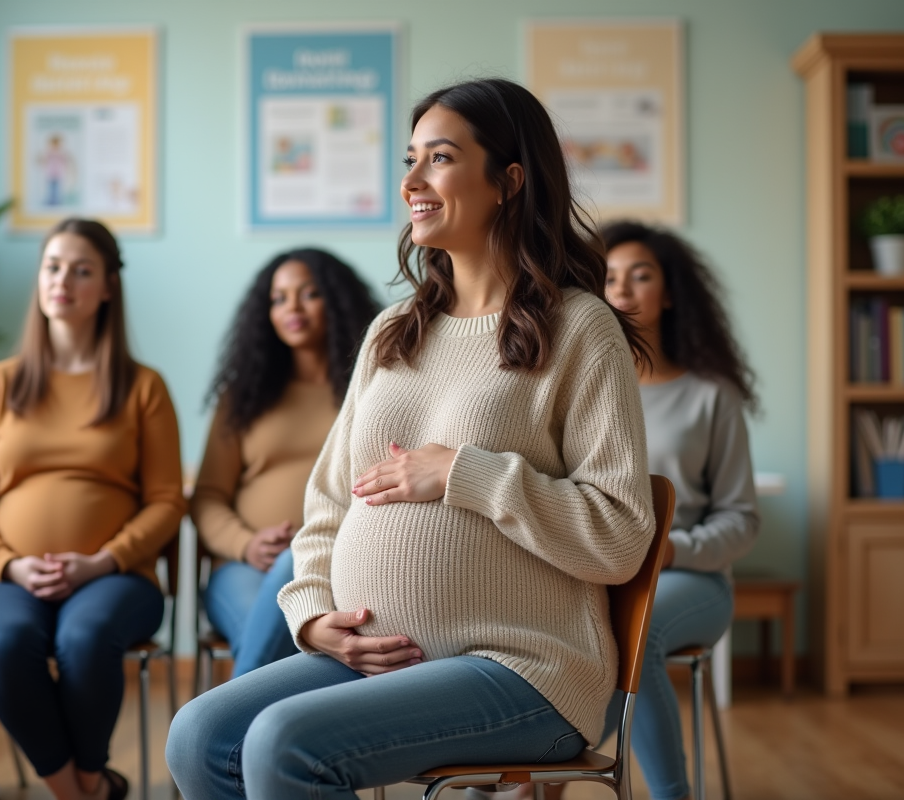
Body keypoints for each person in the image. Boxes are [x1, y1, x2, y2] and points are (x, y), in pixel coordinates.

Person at [165, 77, 656, 800]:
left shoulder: (581, 329)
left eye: (440, 158)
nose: (412, 181)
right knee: (200, 738)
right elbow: (329, 502)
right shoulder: (393, 332)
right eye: (410, 159)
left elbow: (620, 537)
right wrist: (310, 617)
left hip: (526, 670)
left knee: (282, 746)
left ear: (508, 181)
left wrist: (470, 473)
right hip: (378, 658)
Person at [0, 218, 186, 800]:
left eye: (82, 270)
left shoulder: (143, 387)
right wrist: (9, 564)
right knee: (5, 645)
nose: (63, 280)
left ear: (107, 286)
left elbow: (166, 502)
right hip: (8, 576)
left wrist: (102, 561)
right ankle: (83, 790)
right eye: (53, 266)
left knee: (85, 637)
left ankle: (82, 787)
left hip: (114, 578)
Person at [599, 220, 759, 800]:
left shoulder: (710, 395)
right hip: (601, 576)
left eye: (639, 276)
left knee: (632, 634)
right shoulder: (580, 387)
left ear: (668, 293)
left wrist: (674, 549)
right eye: (608, 277)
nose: (621, 289)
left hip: (691, 578)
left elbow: (742, 519)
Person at [192, 248, 379, 679]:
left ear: (339, 302)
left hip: (339, 566)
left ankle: (229, 730)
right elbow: (206, 498)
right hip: (243, 568)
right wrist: (246, 544)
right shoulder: (242, 398)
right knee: (278, 637)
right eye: (278, 298)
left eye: (309, 294)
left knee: (298, 615)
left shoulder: (372, 389)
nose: (291, 308)